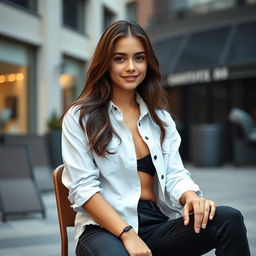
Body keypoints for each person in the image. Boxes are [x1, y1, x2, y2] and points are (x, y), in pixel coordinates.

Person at [61, 20, 251, 256]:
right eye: (120, 58)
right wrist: (128, 234)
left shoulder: (160, 118)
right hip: (103, 229)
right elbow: (84, 189)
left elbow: (174, 173)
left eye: (139, 58)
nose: (131, 67)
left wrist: (190, 196)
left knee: (228, 219)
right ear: (105, 63)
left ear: (148, 62)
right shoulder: (80, 117)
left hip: (156, 224)